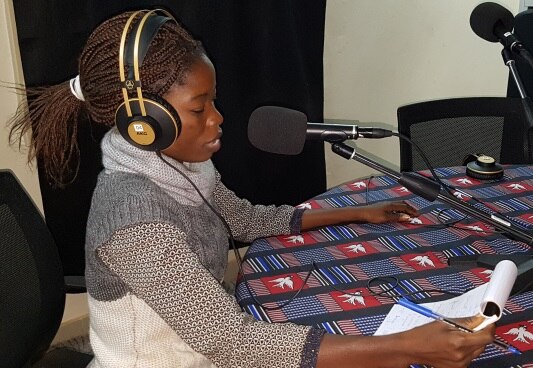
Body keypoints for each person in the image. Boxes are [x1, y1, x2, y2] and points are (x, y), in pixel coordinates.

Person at [9, 9, 495, 368]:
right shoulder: (134, 227)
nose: (218, 119)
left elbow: (240, 218)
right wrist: (406, 347)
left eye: (212, 100)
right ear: (145, 123)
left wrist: (351, 213)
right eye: (200, 108)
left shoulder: (173, 162)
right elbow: (230, 341)